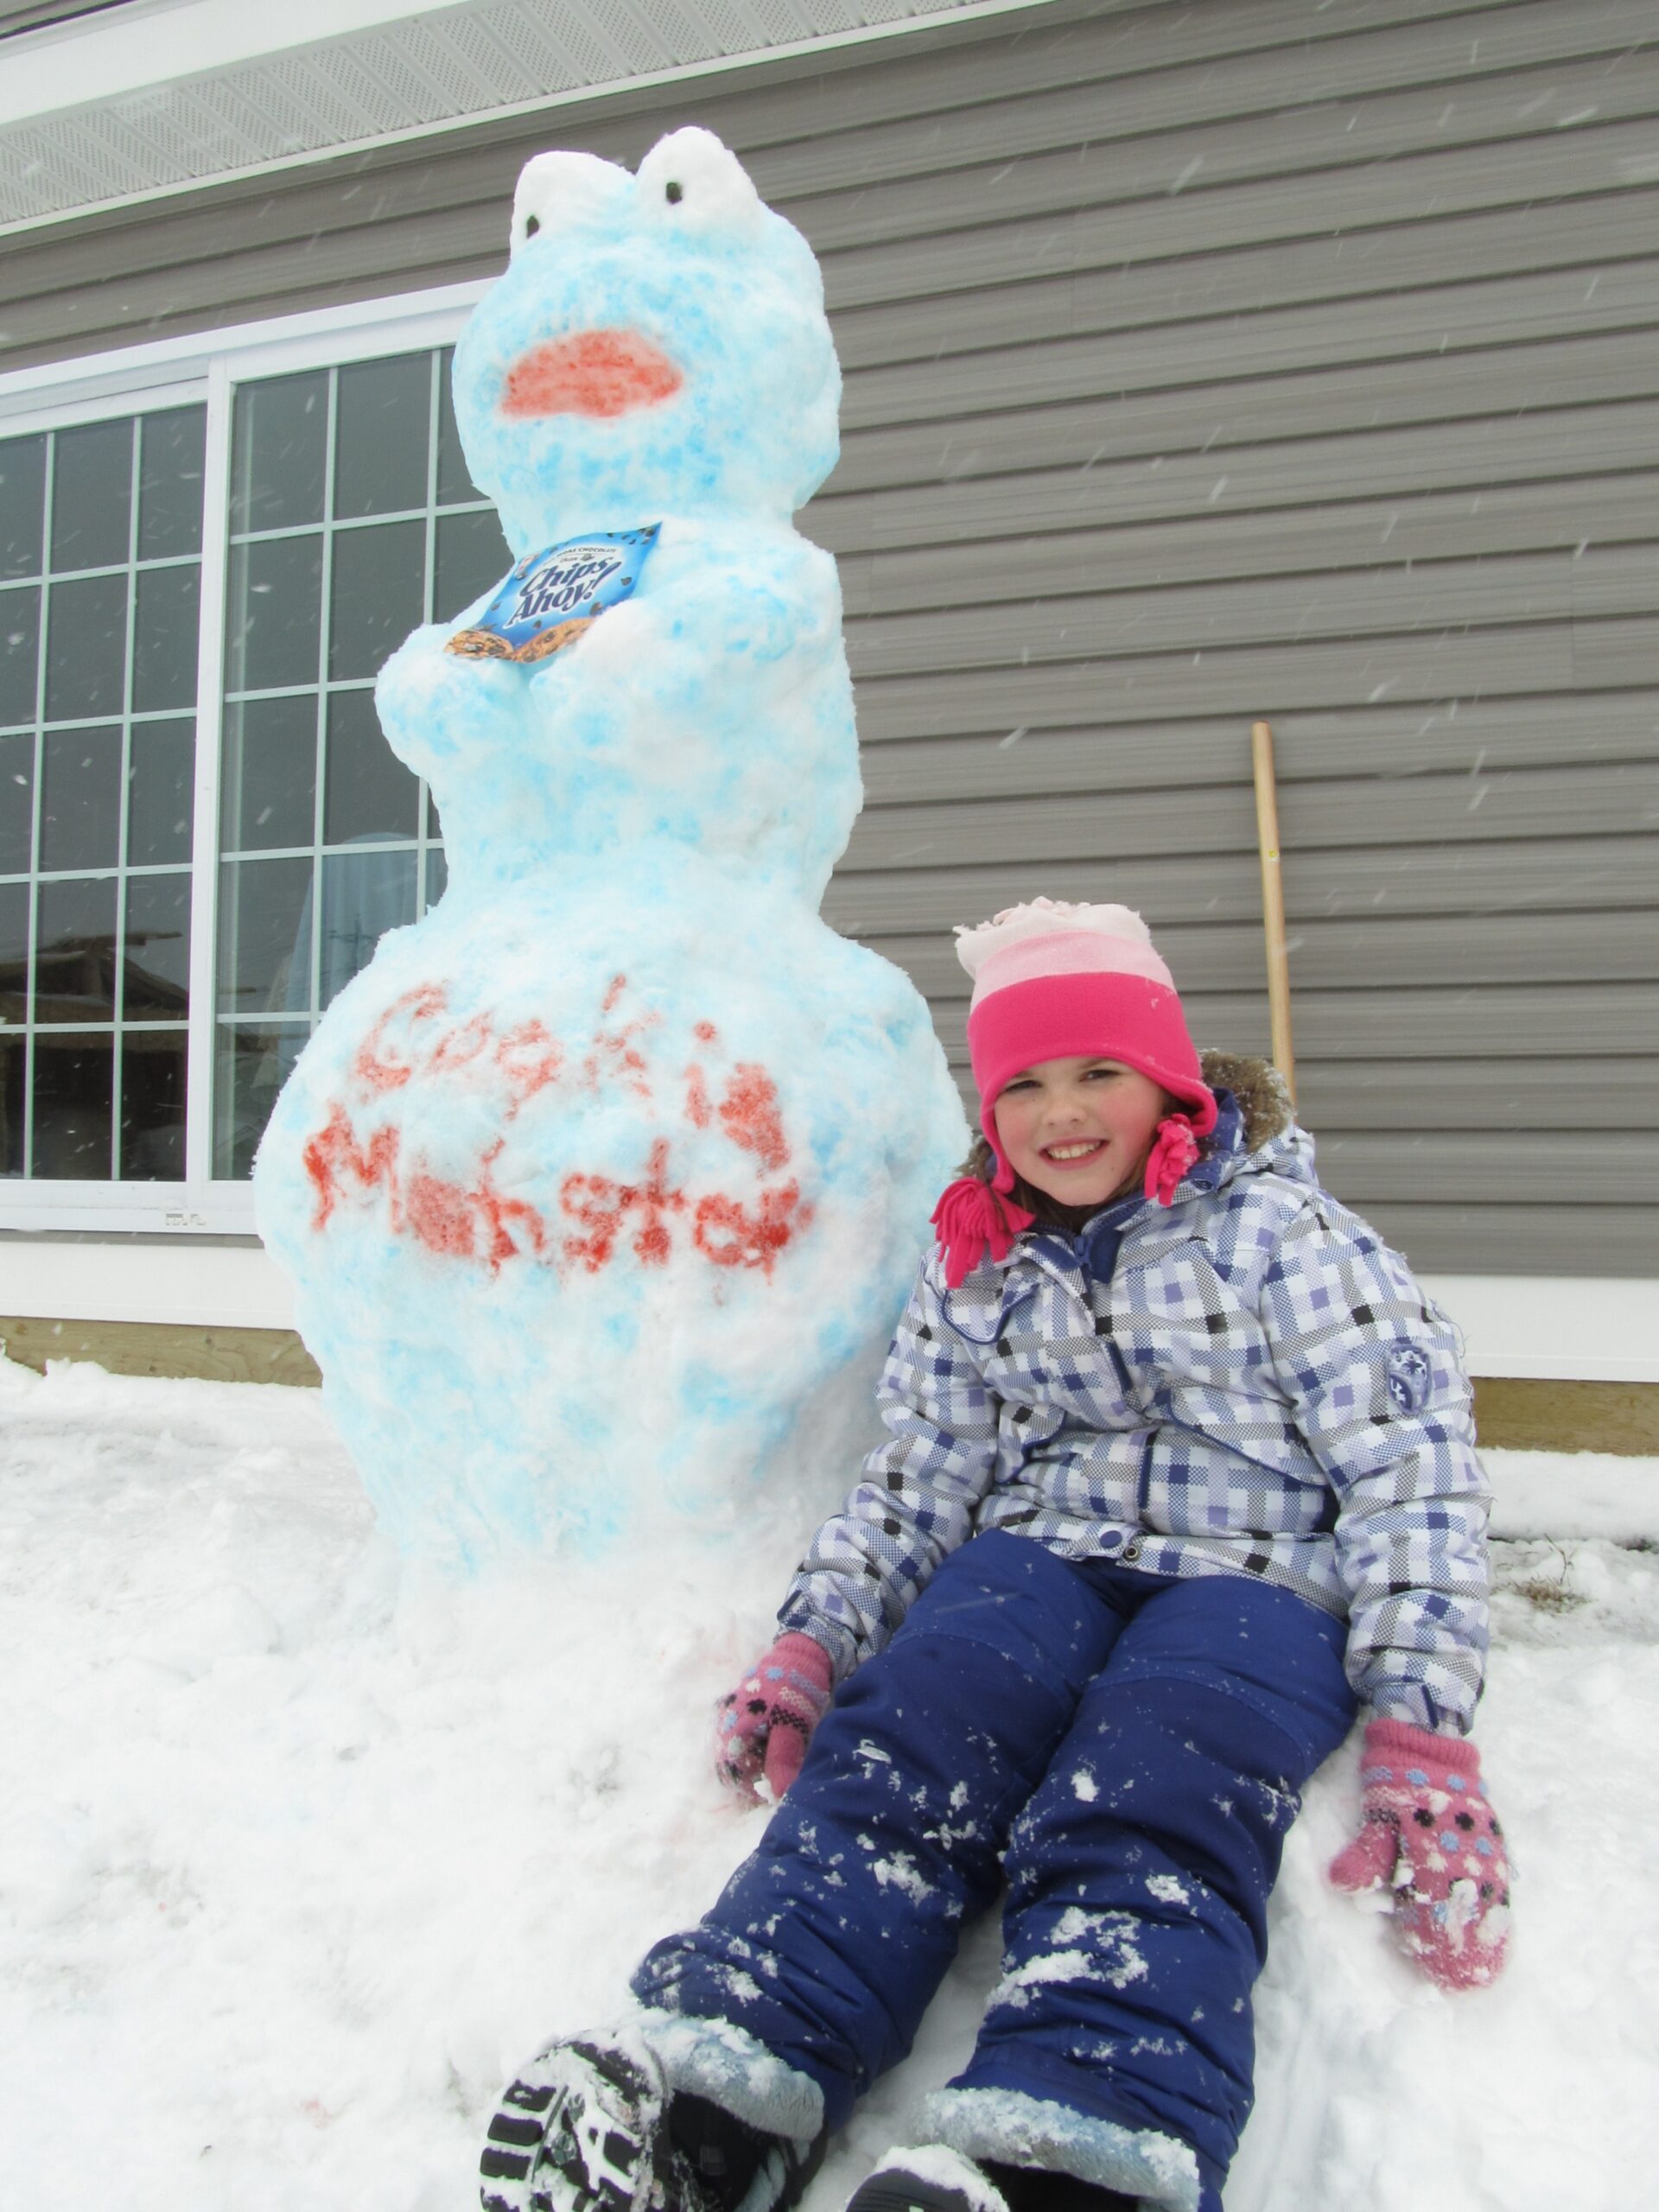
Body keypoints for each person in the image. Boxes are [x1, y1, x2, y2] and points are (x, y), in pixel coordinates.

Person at [480, 899, 1510, 2212]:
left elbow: (1411, 1464)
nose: (1061, 1111)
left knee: (1158, 1786)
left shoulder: (1283, 1239)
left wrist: (1424, 1720)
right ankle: (722, 2091)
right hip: (1041, 1551)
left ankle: (1074, 2147)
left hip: (1254, 1582)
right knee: (907, 1738)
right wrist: (821, 1634)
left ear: (1171, 1085)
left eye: (1099, 1072)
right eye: (1022, 1081)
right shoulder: (980, 1252)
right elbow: (923, 1466)